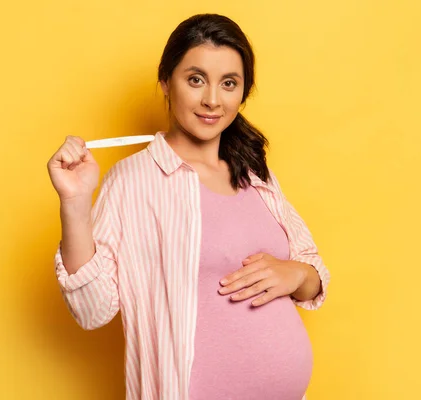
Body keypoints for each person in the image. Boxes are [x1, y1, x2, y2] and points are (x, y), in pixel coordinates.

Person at [47, 13, 331, 400]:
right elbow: (92, 309)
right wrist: (75, 204)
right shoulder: (134, 182)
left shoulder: (256, 174)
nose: (212, 99)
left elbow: (313, 271)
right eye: (196, 79)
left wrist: (297, 275)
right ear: (166, 82)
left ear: (242, 93)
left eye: (228, 83)